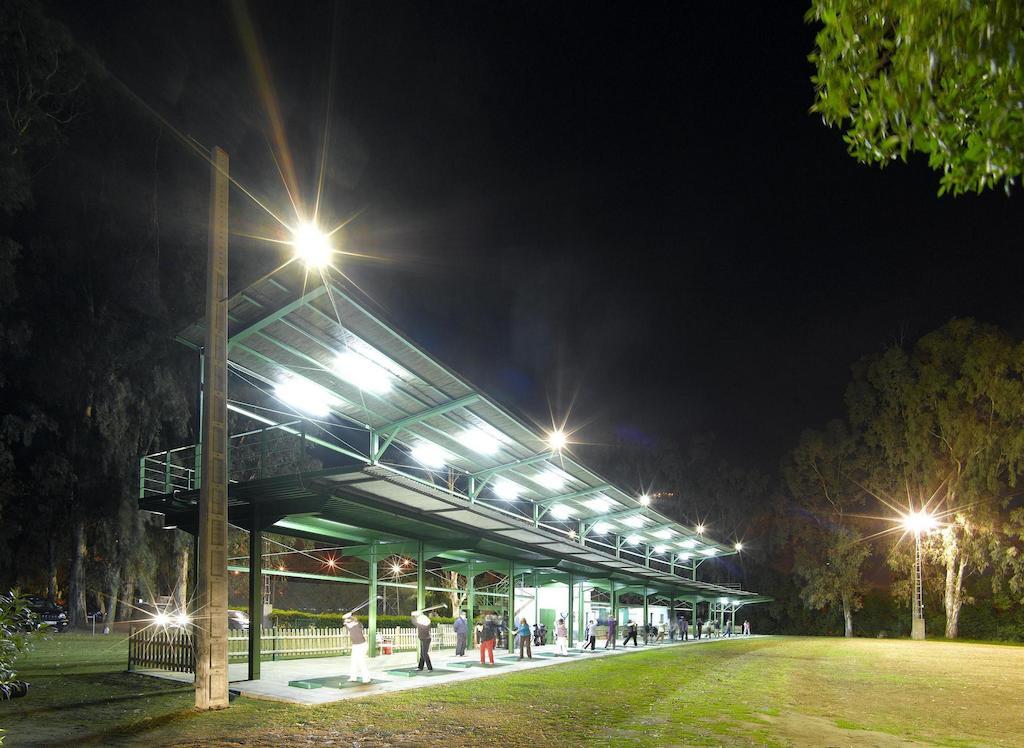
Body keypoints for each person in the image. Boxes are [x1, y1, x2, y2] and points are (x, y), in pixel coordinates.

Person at [343, 611, 371, 684]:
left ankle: (366, 678)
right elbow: (345, 620)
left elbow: (353, 621)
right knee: (353, 661)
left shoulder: (358, 624)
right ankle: (353, 677)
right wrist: (347, 616)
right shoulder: (348, 625)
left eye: (350, 620)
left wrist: (349, 616)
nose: (348, 622)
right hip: (355, 645)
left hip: (362, 645)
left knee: (361, 661)